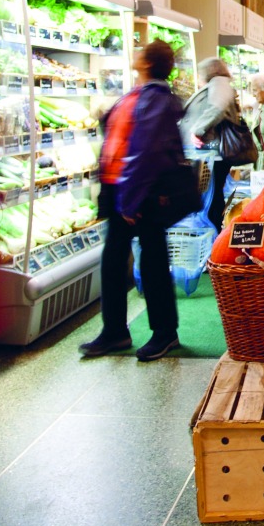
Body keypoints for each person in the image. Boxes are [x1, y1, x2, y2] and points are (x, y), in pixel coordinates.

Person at [80, 40, 186, 362]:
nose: (135, 53)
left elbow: (145, 151)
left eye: (140, 51)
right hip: (121, 190)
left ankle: (165, 333)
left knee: (152, 261)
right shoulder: (139, 94)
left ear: (147, 62)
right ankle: (115, 331)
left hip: (142, 194)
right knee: (113, 261)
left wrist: (132, 200)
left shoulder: (156, 99)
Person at [180, 57, 243, 231]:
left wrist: (197, 130)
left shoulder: (219, 83)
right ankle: (214, 232)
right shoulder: (220, 83)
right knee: (213, 197)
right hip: (212, 153)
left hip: (213, 153)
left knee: (212, 198)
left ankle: (214, 235)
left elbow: (218, 107)